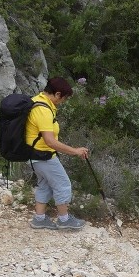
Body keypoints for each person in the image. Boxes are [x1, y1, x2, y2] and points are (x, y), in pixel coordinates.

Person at [27, 77, 90, 231]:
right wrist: (75, 151)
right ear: (57, 94)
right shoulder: (43, 110)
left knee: (45, 184)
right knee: (63, 184)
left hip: (34, 155)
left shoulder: (37, 101)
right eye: (64, 98)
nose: (64, 101)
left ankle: (39, 219)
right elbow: (50, 141)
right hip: (43, 155)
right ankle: (64, 220)